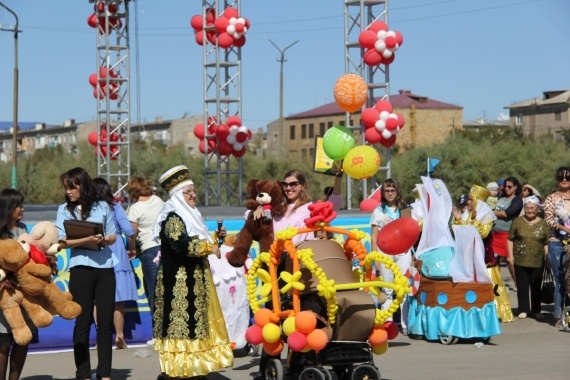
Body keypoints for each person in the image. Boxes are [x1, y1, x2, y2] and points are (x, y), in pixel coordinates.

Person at [257, 169, 343, 379]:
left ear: (303, 185)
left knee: (303, 315)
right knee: (273, 317)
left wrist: (338, 177)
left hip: (302, 268)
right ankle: (268, 365)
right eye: (285, 184)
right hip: (277, 267)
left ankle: (300, 364)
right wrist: (257, 210)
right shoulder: (276, 208)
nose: (289, 188)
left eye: (293, 184)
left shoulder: (308, 208)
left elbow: (335, 202)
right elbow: (257, 225)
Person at [151, 165, 233, 380]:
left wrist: (215, 240)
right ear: (178, 195)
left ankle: (194, 368)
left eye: (193, 191)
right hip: (178, 283)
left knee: (195, 325)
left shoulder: (189, 216)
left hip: (193, 281)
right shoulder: (173, 218)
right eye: (188, 192)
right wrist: (209, 247)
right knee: (182, 327)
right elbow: (181, 246)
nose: (193, 195)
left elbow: (197, 241)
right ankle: (180, 370)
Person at [55, 168, 117, 380]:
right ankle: (83, 373)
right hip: (80, 269)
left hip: (105, 267)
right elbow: (62, 242)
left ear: (84, 185)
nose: (69, 191)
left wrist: (104, 239)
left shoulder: (103, 206)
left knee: (105, 323)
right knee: (82, 322)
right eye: (66, 188)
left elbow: (113, 235)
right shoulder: (64, 209)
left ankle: (105, 373)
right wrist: (87, 240)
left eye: (73, 186)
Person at [452, 185, 513, 322]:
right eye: (468, 200)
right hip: (469, 259)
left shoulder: (486, 216)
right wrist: (457, 219)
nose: (468, 203)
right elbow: (461, 233)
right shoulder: (466, 214)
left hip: (484, 259)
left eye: (471, 200)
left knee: (491, 287)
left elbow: (483, 234)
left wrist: (475, 220)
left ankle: (495, 313)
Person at [93, 178, 138, 350]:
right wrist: (131, 248)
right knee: (118, 299)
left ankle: (100, 338)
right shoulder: (115, 207)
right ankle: (119, 335)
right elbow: (128, 230)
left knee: (97, 298)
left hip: (97, 248)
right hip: (117, 248)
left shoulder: (90, 209)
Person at [0, 189, 37, 380]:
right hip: (4, 297)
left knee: (23, 341)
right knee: (3, 343)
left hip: (25, 294)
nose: (22, 209)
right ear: (7, 208)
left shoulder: (23, 228)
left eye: (22, 205)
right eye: (17, 206)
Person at [369, 179, 412, 335]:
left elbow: (412, 231)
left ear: (397, 191)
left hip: (403, 252)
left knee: (404, 287)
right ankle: (388, 323)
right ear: (383, 193)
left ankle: (406, 325)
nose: (390, 193)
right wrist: (375, 258)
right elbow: (374, 236)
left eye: (392, 190)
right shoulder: (378, 211)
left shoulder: (405, 209)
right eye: (387, 190)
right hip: (384, 252)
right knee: (387, 289)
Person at [126, 176, 164, 345]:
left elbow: (131, 233)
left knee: (153, 293)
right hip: (165, 249)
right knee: (165, 291)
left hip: (149, 250)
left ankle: (158, 334)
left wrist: (132, 248)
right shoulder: (159, 200)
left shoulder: (135, 208)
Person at [507, 195, 549, 320]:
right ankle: (523, 309)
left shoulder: (543, 223)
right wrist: (510, 256)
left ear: (537, 209)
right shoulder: (517, 222)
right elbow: (510, 239)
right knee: (522, 286)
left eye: (532, 208)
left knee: (536, 286)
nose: (530, 210)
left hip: (537, 260)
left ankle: (536, 310)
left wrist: (547, 258)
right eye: (527, 208)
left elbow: (546, 242)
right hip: (520, 259)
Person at [543, 166, 570, 326]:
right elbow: (548, 219)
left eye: (567, 177)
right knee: (560, 277)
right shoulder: (551, 198)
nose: (564, 180)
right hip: (557, 242)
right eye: (561, 177)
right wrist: (561, 227)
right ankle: (559, 315)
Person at [492, 176, 523, 291]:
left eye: (509, 187)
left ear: (515, 187)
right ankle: (497, 286)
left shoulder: (517, 200)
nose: (507, 189)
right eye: (505, 187)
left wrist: (491, 212)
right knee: (494, 261)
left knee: (510, 261)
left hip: (506, 234)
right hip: (494, 233)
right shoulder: (500, 197)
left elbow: (507, 214)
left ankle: (519, 285)